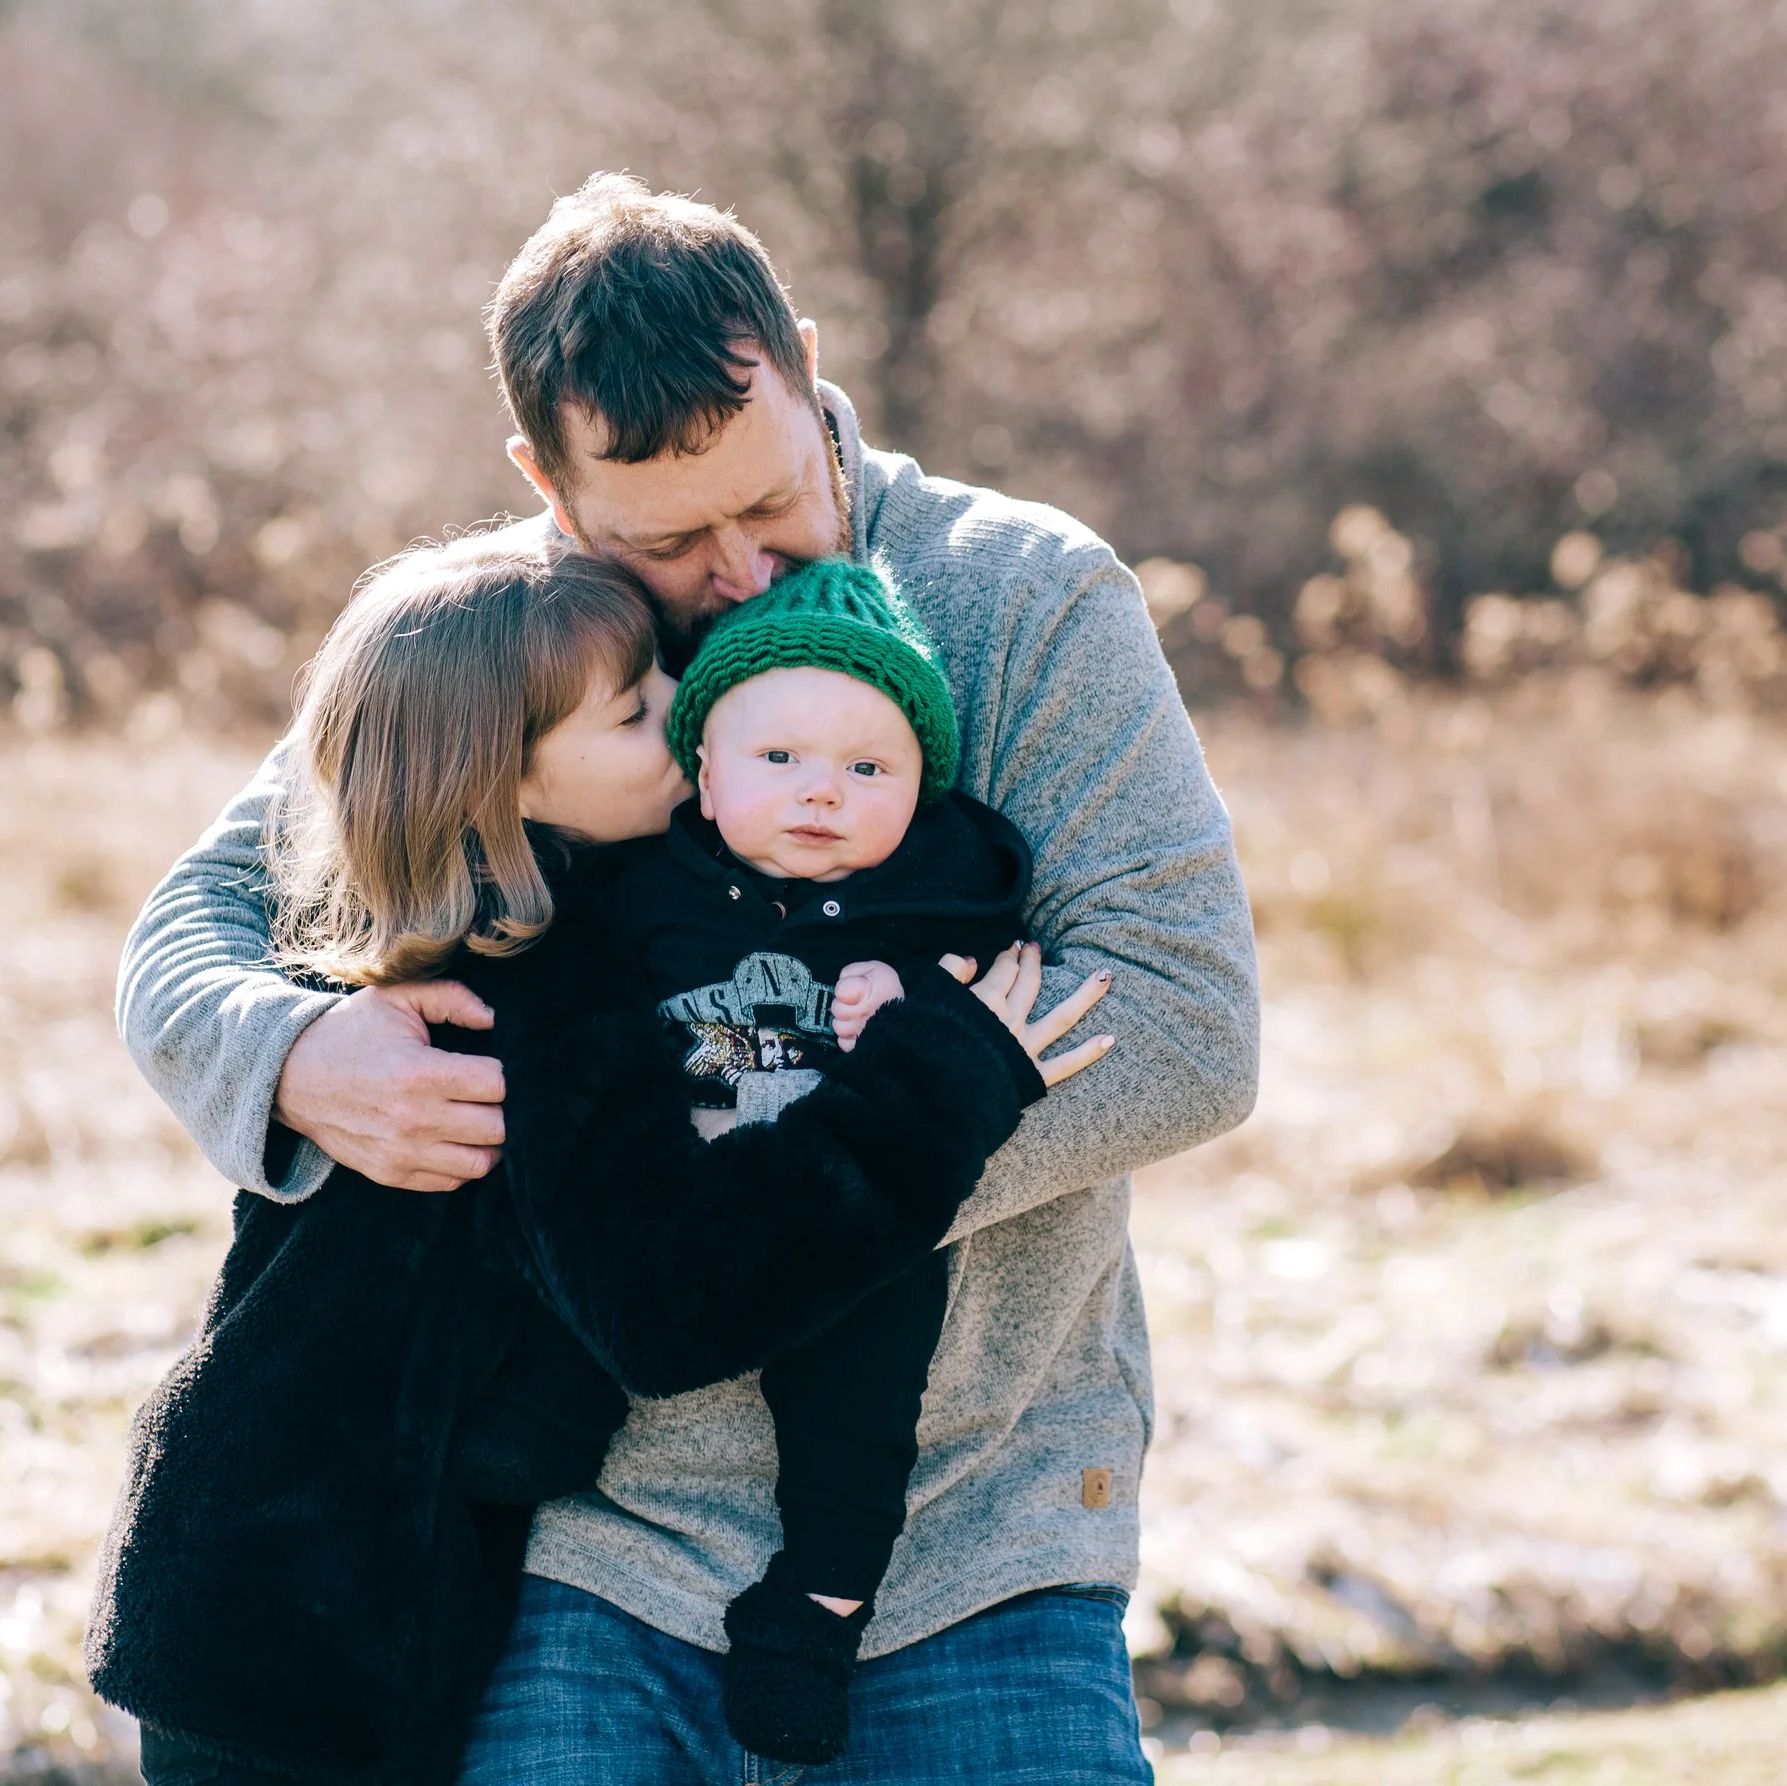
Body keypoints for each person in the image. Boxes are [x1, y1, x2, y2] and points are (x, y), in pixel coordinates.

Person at [116, 174, 1261, 1784]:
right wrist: (301, 1055)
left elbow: (1190, 1020)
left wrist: (774, 1191)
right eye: (666, 537)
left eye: (771, 501)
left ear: (801, 365)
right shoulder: (520, 637)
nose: (735, 569)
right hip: (593, 1546)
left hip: (979, 1531)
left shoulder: (1028, 599)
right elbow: (190, 930)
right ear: (547, 481)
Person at [86, 531, 1108, 1786]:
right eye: (634, 713)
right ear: (503, 782)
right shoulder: (526, 993)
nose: (685, 708)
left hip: (282, 1595)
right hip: (304, 1655)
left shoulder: (442, 924)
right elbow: (679, 1303)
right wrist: (946, 1077)